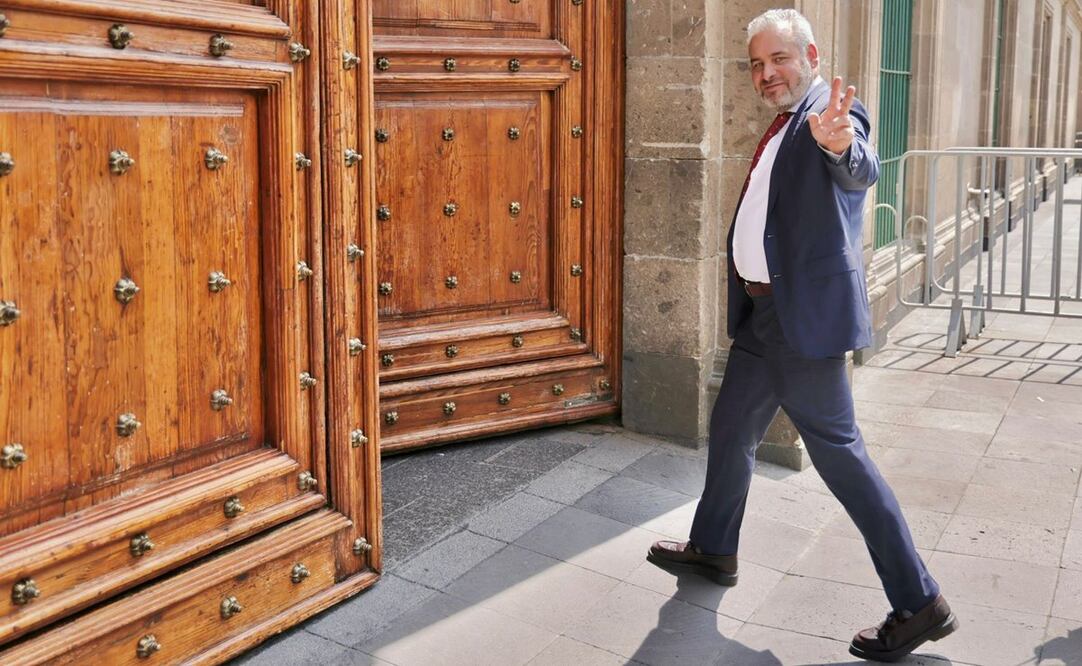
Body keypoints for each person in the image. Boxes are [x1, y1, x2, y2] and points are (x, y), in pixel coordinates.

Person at [645, 9, 959, 663]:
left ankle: (918, 599)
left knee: (843, 459)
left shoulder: (829, 115)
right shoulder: (786, 120)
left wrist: (840, 145)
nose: (765, 74)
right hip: (767, 319)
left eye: (777, 60)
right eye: (756, 65)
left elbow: (859, 167)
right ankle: (716, 547)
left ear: (809, 54)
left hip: (803, 324)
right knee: (732, 428)